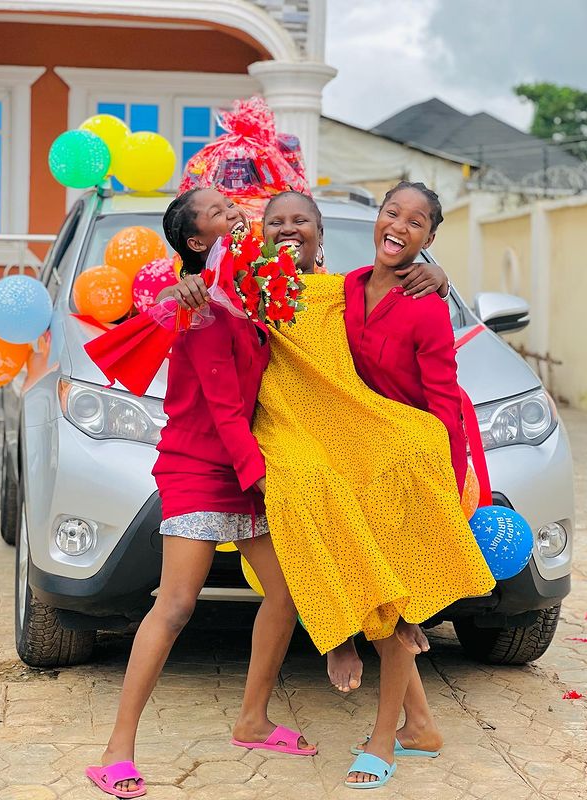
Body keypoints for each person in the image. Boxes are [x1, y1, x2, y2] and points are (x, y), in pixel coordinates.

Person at [247, 182, 495, 787]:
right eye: (393, 213)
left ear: (429, 239)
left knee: (398, 592)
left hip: (402, 452)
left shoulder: (425, 300)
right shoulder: (346, 287)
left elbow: (442, 398)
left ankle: (383, 742)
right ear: (376, 220)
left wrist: (450, 476)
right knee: (386, 587)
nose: (401, 226)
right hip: (351, 447)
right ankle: (419, 726)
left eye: (417, 223)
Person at [166, 190, 449, 697]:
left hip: (339, 420)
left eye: (301, 220)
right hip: (280, 425)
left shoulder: (343, 290)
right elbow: (187, 297)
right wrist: (185, 283)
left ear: (321, 233)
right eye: (276, 221)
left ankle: (405, 607)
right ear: (260, 233)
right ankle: (338, 631)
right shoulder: (244, 288)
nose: (289, 228)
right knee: (306, 484)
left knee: (400, 456)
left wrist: (439, 274)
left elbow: (389, 283)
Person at [86, 188, 315, 800]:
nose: (233, 212)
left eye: (230, 205)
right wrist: (263, 476)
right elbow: (219, 405)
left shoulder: (253, 292)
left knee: (286, 594)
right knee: (177, 606)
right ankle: (115, 753)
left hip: (245, 466)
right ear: (196, 241)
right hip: (198, 467)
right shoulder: (202, 307)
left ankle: (252, 719)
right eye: (217, 213)